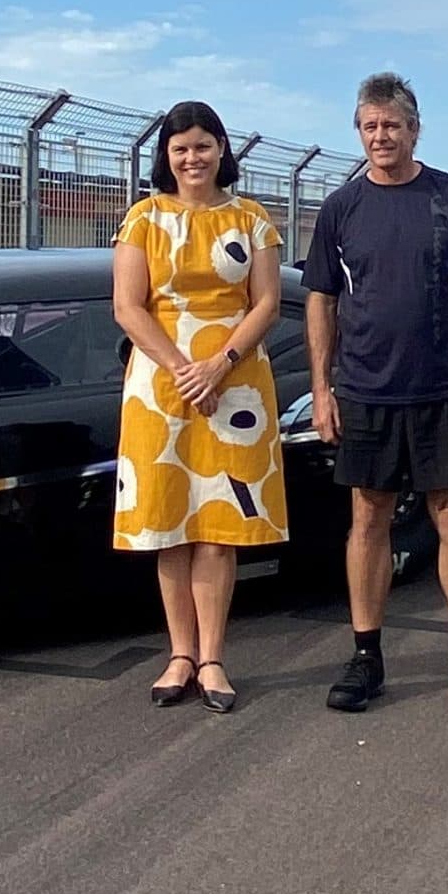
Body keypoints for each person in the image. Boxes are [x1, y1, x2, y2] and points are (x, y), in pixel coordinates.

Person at [305, 72, 448, 717]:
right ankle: (366, 656)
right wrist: (322, 388)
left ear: (414, 130)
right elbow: (321, 299)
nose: (380, 136)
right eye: (369, 126)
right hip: (364, 390)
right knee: (368, 520)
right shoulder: (341, 208)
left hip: (442, 389)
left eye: (391, 125)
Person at [110, 100, 288, 714]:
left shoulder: (252, 219)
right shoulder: (142, 219)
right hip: (161, 388)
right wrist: (182, 368)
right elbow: (128, 307)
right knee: (170, 522)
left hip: (235, 384)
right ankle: (179, 654)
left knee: (218, 525)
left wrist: (219, 364)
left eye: (203, 145)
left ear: (221, 150)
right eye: (181, 147)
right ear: (166, 155)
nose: (193, 158)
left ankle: (212, 658)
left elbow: (266, 303)